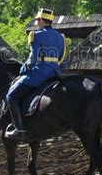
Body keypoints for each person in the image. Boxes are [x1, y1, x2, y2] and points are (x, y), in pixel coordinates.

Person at [5, 8, 67, 141]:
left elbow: (33, 59)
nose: (37, 23)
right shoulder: (61, 38)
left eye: (38, 20)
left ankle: (20, 129)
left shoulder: (36, 35)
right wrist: (57, 69)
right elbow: (64, 60)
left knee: (11, 96)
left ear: (40, 20)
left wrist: (23, 69)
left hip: (38, 74)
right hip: (54, 74)